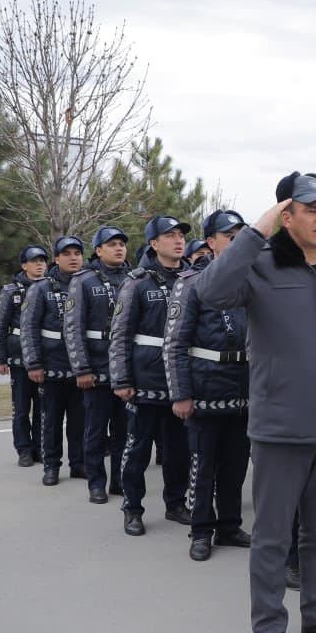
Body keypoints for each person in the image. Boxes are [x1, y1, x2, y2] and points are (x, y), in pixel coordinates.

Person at [197, 173, 316, 633]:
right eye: (311, 209)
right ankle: (270, 628)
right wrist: (257, 231)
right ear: (286, 215)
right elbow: (210, 291)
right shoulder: (260, 266)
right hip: (280, 426)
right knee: (273, 537)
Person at [164, 209, 253, 562]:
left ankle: (229, 525)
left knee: (236, 465)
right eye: (229, 236)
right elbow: (175, 342)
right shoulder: (191, 283)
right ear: (211, 242)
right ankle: (201, 530)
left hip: (244, 387)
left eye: (240, 235)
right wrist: (181, 393)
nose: (235, 242)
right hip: (205, 387)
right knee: (203, 466)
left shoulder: (252, 282)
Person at [110, 215, 193, 537]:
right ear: (154, 243)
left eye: (180, 235)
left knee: (179, 450)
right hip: (146, 379)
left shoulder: (192, 279)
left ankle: (175, 504)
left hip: (181, 382)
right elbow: (120, 333)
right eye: (169, 235)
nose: (177, 240)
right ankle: (132, 508)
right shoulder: (138, 282)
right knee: (138, 450)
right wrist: (121, 378)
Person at [63, 225, 133, 503]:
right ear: (99, 250)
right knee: (94, 429)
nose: (119, 248)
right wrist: (81, 368)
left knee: (124, 430)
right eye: (111, 244)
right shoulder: (84, 280)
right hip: (96, 366)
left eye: (122, 244)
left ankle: (119, 480)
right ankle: (96, 482)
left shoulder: (133, 278)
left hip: (125, 370)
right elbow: (73, 327)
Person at [20, 236, 86, 485]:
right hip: (52, 367)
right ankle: (51, 466)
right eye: (66, 253)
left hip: (83, 369)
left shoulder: (89, 284)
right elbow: (29, 328)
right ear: (56, 259)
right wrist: (34, 363)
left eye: (77, 253)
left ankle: (78, 464)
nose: (73, 258)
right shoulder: (42, 287)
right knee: (51, 421)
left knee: (80, 421)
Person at [0, 244, 48, 467]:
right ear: (24, 265)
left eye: (43, 261)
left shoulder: (51, 288)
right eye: (34, 261)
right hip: (18, 357)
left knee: (43, 407)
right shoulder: (12, 291)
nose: (39, 265)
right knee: (22, 407)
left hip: (44, 356)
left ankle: (40, 448)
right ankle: (24, 449)